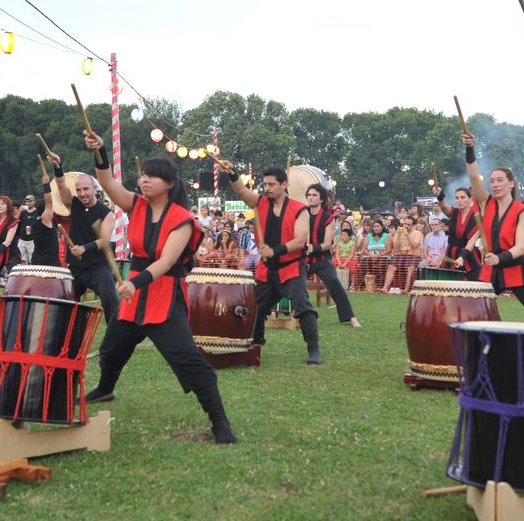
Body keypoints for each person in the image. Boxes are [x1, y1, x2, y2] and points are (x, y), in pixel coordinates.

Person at [79, 131, 235, 443]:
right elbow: (107, 182)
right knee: (111, 350)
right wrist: (100, 151)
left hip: (164, 294)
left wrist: (134, 282)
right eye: (143, 176)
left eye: (152, 176)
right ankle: (106, 389)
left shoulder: (182, 219)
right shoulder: (135, 205)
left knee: (188, 359)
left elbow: (165, 262)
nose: (144, 180)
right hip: (135, 295)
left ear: (169, 184)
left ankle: (220, 423)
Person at [219, 160, 321, 364]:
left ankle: (314, 350)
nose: (267, 188)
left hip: (291, 267)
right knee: (254, 307)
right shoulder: (260, 203)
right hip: (267, 269)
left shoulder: (300, 209)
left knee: (302, 306)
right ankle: (255, 344)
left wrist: (274, 251)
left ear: (284, 185)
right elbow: (241, 191)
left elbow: (300, 241)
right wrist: (232, 173)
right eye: (265, 184)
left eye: (272, 184)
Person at [461, 132, 524, 317]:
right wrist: (469, 147)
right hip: (490, 270)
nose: (495, 185)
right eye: (492, 181)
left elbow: (520, 247)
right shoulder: (486, 202)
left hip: (514, 267)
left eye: (500, 180)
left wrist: (499, 258)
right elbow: (473, 176)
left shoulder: (522, 210)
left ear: (511, 183)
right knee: (473, 314)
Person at [55, 168, 119, 322]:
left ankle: (116, 332)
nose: (82, 193)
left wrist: (84, 248)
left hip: (98, 266)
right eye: (78, 190)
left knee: (109, 296)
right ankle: (66, 332)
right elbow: (61, 185)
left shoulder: (106, 213)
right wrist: (57, 167)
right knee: (64, 300)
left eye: (85, 189)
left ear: (94, 188)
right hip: (76, 267)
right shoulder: (74, 204)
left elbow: (104, 240)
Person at [303, 183, 360, 327]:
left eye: (314, 195)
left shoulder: (328, 218)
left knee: (334, 283)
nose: (311, 197)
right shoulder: (302, 214)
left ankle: (351, 317)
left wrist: (313, 248)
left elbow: (327, 243)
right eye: (309, 195)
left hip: (321, 259)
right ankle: (291, 313)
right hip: (303, 259)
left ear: (321, 199)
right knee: (292, 282)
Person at [436, 187, 481, 276]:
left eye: (462, 197)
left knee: (478, 282)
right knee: (444, 282)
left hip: (468, 255)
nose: (459, 200)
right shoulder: (454, 212)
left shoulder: (476, 218)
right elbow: (444, 205)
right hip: (451, 254)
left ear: (470, 199)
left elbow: (471, 242)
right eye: (457, 198)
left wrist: (461, 257)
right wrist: (440, 196)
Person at [0, 194, 21, 293]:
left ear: (8, 206)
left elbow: (8, 241)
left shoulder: (14, 221)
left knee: (13, 276)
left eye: (2, 204)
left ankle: (14, 298)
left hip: (10, 252)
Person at [17, 194, 38, 265]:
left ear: (34, 201)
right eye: (27, 201)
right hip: (22, 239)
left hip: (32, 239)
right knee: (21, 259)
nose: (28, 203)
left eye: (30, 201)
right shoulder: (23, 212)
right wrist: (19, 211)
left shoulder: (37, 212)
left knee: (32, 259)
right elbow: (16, 221)